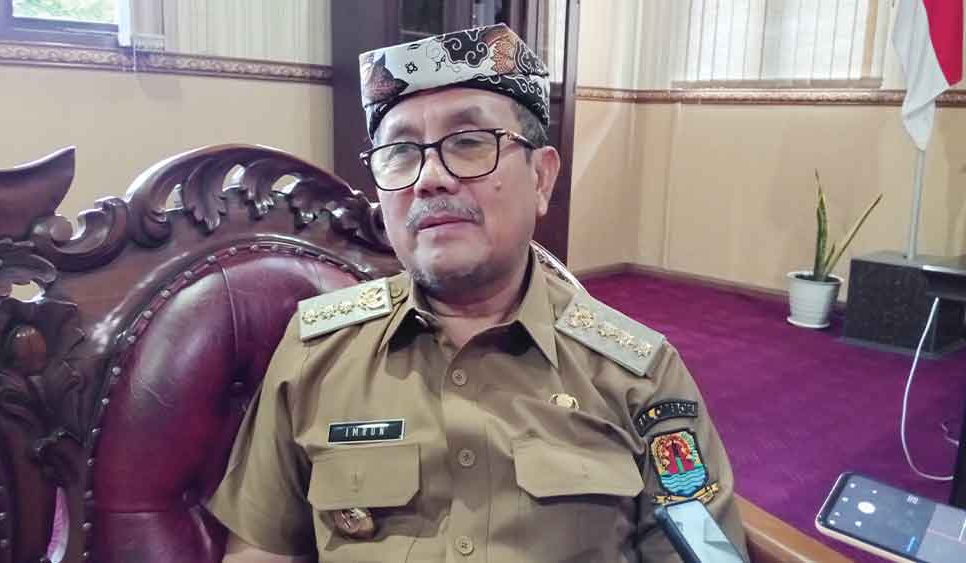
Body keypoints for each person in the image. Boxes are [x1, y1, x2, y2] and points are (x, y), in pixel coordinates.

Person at [207, 23, 748, 563]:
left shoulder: (637, 375)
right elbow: (260, 551)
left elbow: (706, 551)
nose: (429, 178)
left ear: (542, 178)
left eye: (468, 143)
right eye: (400, 152)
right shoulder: (316, 353)